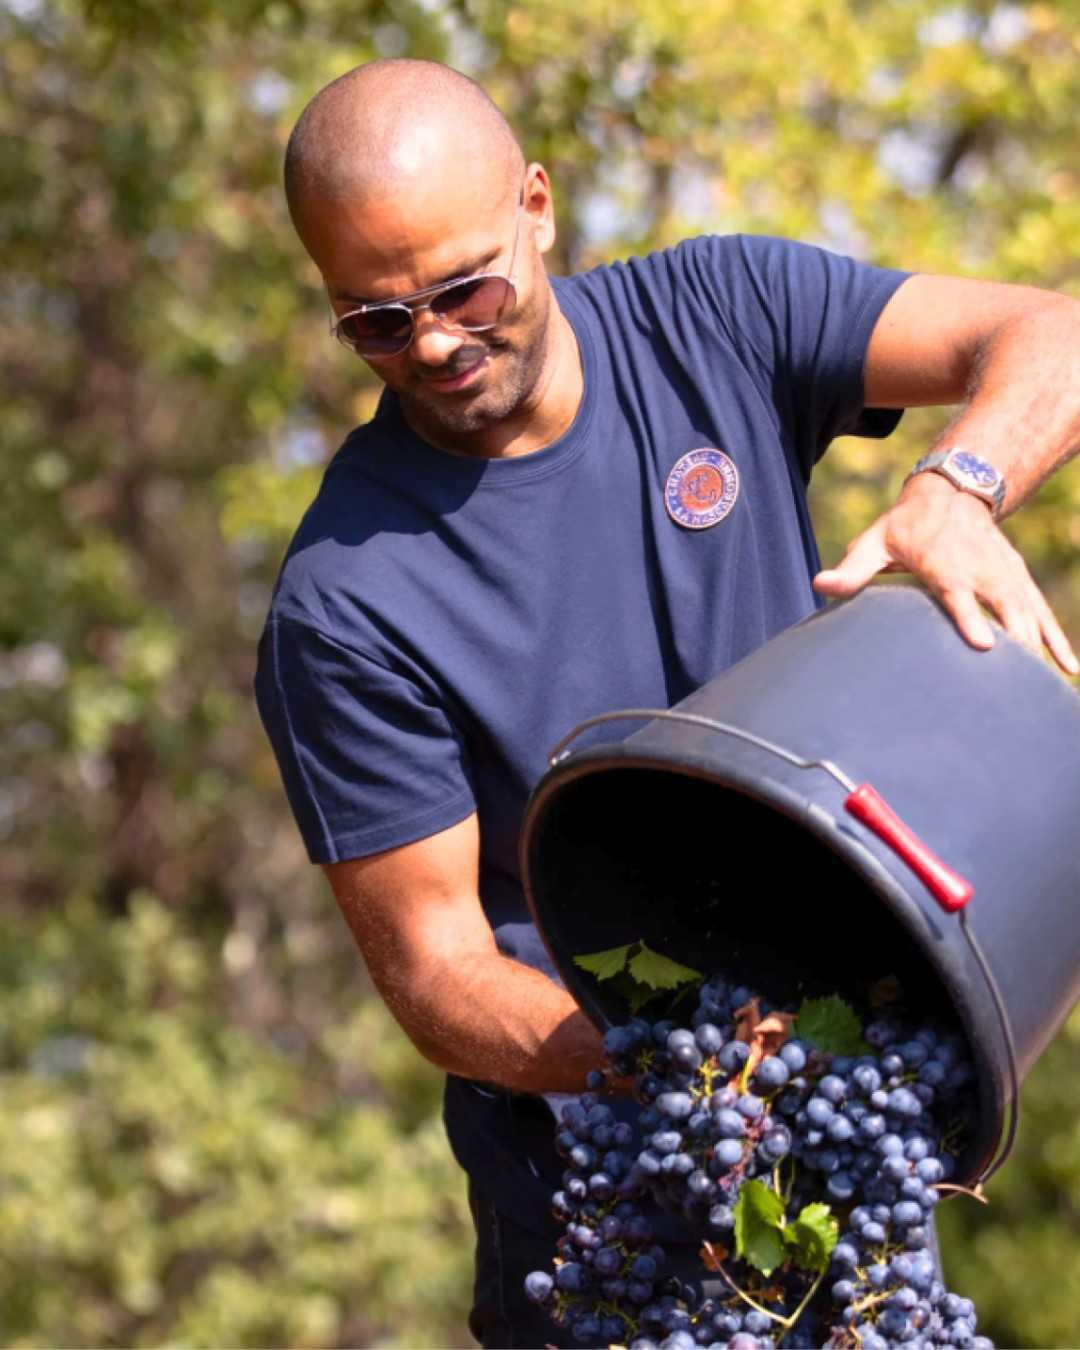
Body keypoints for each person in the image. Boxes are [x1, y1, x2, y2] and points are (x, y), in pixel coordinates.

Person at [255, 57, 1079, 1347]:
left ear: (536, 203)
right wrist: (687, 1069)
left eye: (463, 288)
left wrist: (959, 486)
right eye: (374, 318)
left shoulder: (717, 316)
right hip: (612, 1232)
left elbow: (1051, 332)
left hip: (848, 1172)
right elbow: (436, 972)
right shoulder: (346, 599)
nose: (431, 342)